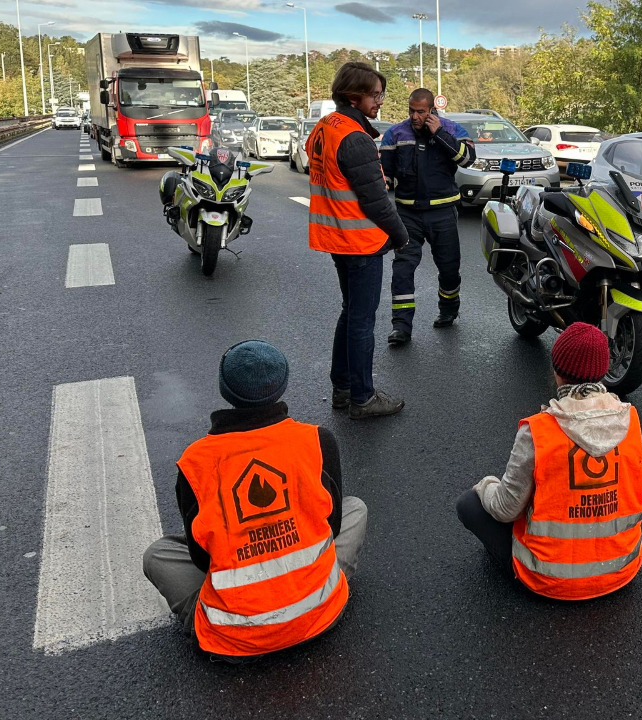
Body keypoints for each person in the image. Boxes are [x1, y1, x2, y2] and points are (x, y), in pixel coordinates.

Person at [142, 341, 367, 661]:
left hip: (235, 639)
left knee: (157, 554)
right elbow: (331, 527)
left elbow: (202, 560)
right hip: (320, 614)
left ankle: (233, 624)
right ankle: (309, 601)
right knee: (355, 508)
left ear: (224, 390)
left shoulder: (196, 461)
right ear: (282, 387)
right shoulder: (316, 440)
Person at [456, 323, 642, 600]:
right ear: (603, 371)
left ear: (557, 372)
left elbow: (505, 509)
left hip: (550, 579)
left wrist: (485, 484)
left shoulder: (539, 431)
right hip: (621, 568)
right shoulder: (631, 422)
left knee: (468, 504)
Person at [307, 61, 410, 419]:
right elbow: (375, 200)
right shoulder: (354, 137)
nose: (380, 101)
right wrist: (400, 235)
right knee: (362, 321)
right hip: (360, 241)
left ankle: (343, 388)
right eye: (375, 95)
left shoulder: (325, 126)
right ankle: (363, 398)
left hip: (337, 236)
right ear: (355, 96)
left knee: (350, 313)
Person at [379, 88, 477, 345]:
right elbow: (384, 173)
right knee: (402, 268)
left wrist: (439, 134)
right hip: (407, 214)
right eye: (411, 111)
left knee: (449, 268)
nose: (414, 116)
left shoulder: (453, 129)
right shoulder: (395, 133)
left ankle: (448, 309)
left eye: (420, 112)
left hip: (442, 213)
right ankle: (401, 327)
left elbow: (468, 160)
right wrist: (380, 189)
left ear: (432, 110)